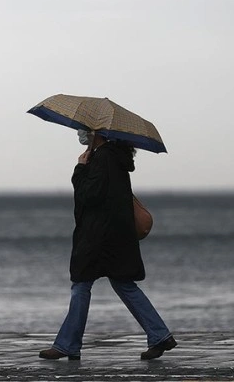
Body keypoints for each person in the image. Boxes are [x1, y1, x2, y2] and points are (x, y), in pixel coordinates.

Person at [39, 129, 177, 361]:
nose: (81, 134)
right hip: (114, 236)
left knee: (81, 285)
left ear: (96, 133)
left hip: (98, 237)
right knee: (123, 285)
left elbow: (88, 196)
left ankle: (68, 345)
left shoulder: (103, 158)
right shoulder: (114, 157)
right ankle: (160, 335)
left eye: (84, 131)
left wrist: (80, 168)